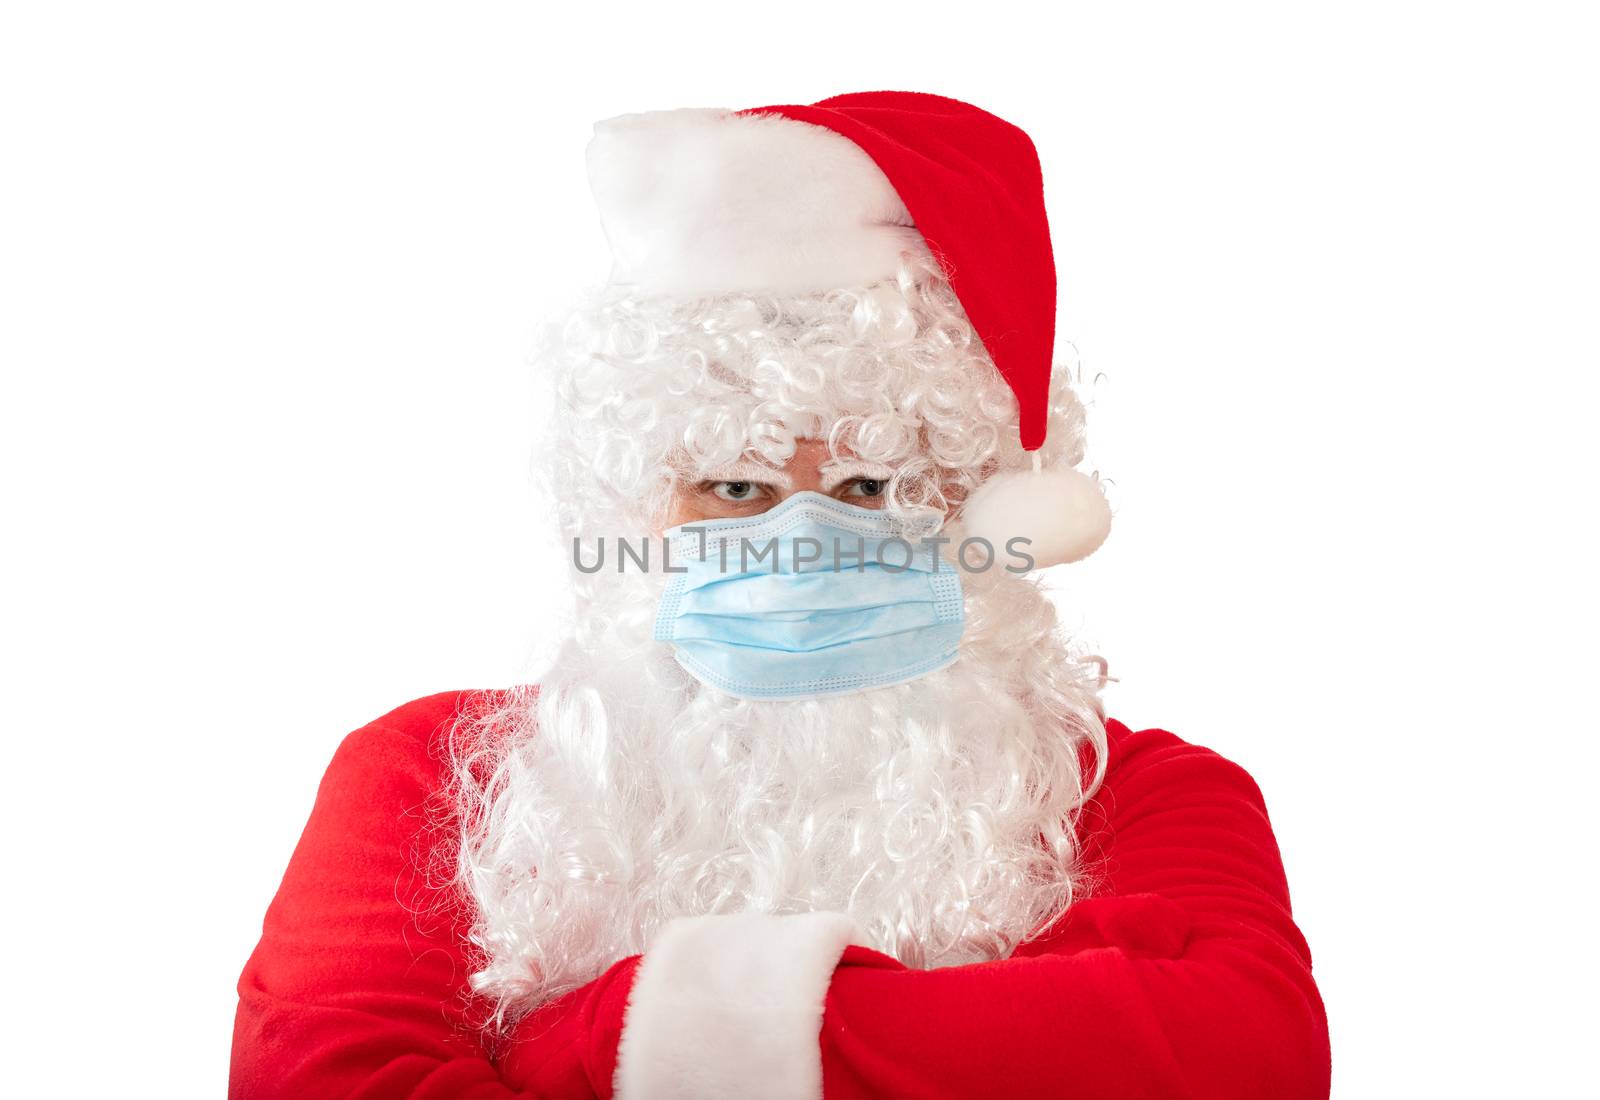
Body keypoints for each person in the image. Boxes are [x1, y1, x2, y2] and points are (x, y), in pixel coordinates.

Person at [230, 91, 1331, 1099]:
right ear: (637, 502)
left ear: (987, 507)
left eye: (872, 484)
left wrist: (574, 1037)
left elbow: (1249, 1055)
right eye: (736, 485)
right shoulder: (426, 775)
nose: (800, 545)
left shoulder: (1143, 795)